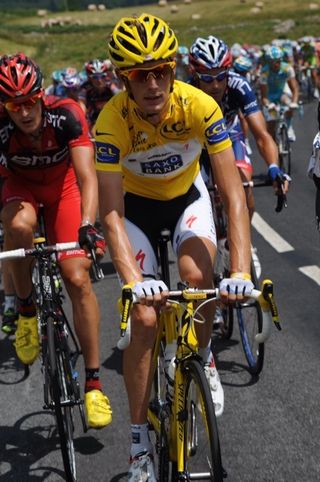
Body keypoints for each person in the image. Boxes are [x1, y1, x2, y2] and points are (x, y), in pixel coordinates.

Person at [95, 13, 253, 480]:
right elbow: (109, 214)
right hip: (136, 212)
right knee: (145, 316)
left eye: (161, 71)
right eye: (140, 76)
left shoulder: (199, 105)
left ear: (173, 69)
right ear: (123, 79)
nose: (153, 84)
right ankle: (139, 441)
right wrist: (132, 281)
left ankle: (201, 356)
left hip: (188, 197)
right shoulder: (112, 120)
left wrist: (240, 271)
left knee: (198, 279)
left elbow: (232, 196)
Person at [0, 53, 112, 429]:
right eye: (15, 105)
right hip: (22, 188)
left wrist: (86, 224)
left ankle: (94, 385)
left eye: (30, 100)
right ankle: (27, 312)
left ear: (41, 94)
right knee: (17, 227)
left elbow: (87, 176)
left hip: (64, 189)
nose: (24, 111)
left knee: (77, 277)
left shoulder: (67, 114)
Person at [188, 36, 289, 221]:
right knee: (195, 198)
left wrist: (274, 167)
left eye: (220, 76)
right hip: (197, 146)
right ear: (195, 75)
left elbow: (262, 135)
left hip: (230, 138)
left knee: (245, 191)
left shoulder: (238, 86)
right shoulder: (186, 92)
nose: (216, 85)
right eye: (208, 79)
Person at [259, 45, 300, 142]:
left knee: (289, 103)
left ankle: (289, 128)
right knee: (271, 124)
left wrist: (294, 102)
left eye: (278, 61)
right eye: (272, 62)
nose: (276, 64)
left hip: (282, 93)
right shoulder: (264, 72)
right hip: (270, 96)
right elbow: (264, 96)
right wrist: (268, 105)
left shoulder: (287, 68)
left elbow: (294, 88)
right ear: (268, 62)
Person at [80, 59, 122, 133]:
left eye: (102, 76)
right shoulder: (85, 88)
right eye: (95, 77)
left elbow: (120, 100)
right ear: (89, 77)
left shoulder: (110, 84)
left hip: (111, 117)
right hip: (94, 119)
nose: (99, 80)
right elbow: (81, 106)